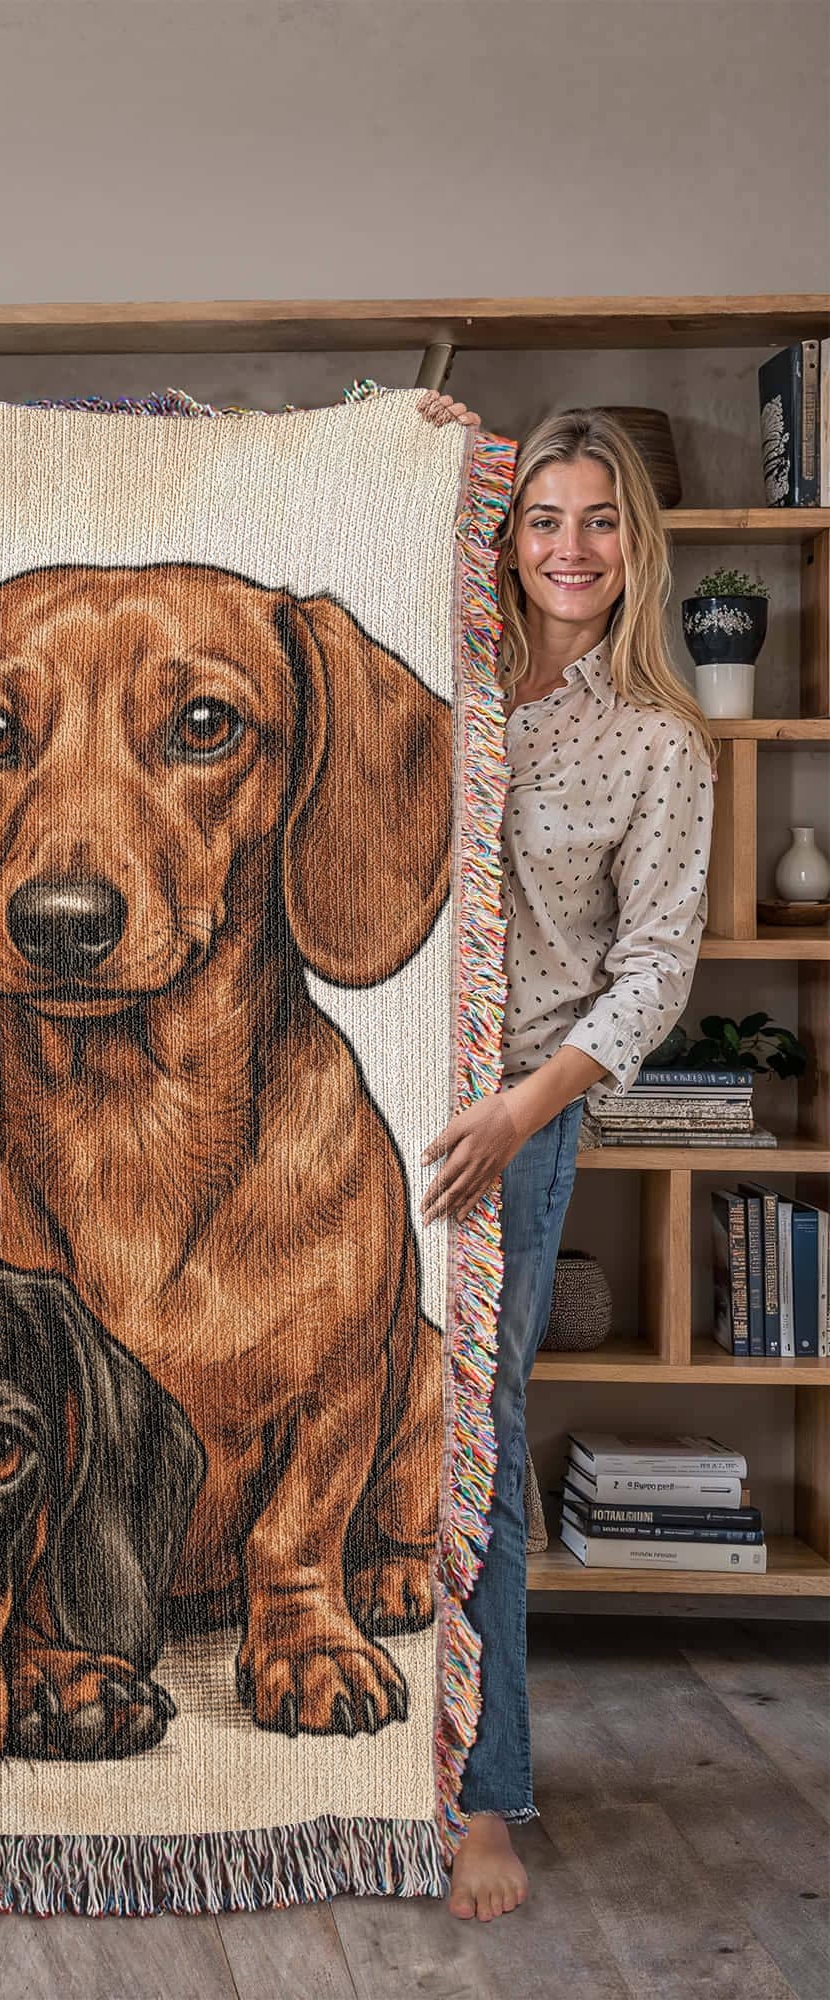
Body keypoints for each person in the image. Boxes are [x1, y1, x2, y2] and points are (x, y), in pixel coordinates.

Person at [415, 396, 715, 1921]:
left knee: (481, 1429)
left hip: (514, 1125)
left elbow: (654, 969)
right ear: (504, 534)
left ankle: (484, 1789)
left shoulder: (656, 738)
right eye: (545, 519)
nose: (572, 548)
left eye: (600, 521)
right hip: (382, 1091)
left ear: (634, 544)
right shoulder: (439, 674)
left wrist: (523, 1113)